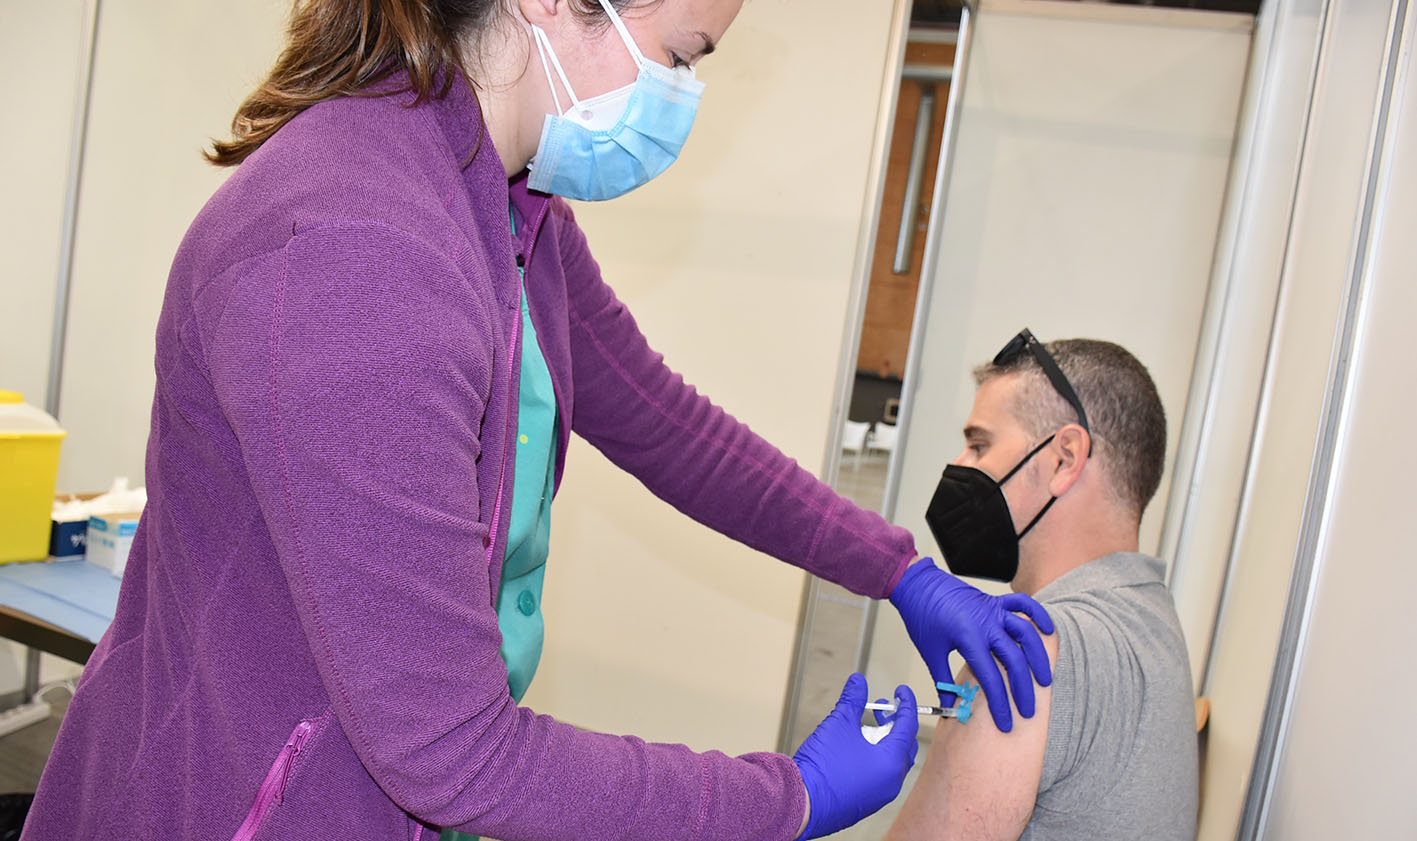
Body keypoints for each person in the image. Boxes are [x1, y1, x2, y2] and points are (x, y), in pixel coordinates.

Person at [23, 3, 1055, 839]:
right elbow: (454, 751)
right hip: (234, 800)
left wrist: (893, 567)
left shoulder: (505, 205)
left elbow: (666, 422)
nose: (684, 98)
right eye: (683, 57)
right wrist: (787, 796)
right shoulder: (352, 246)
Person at [883, 330, 1198, 841]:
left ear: (1064, 458)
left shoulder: (1022, 649)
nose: (960, 466)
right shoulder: (1153, 620)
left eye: (979, 443)